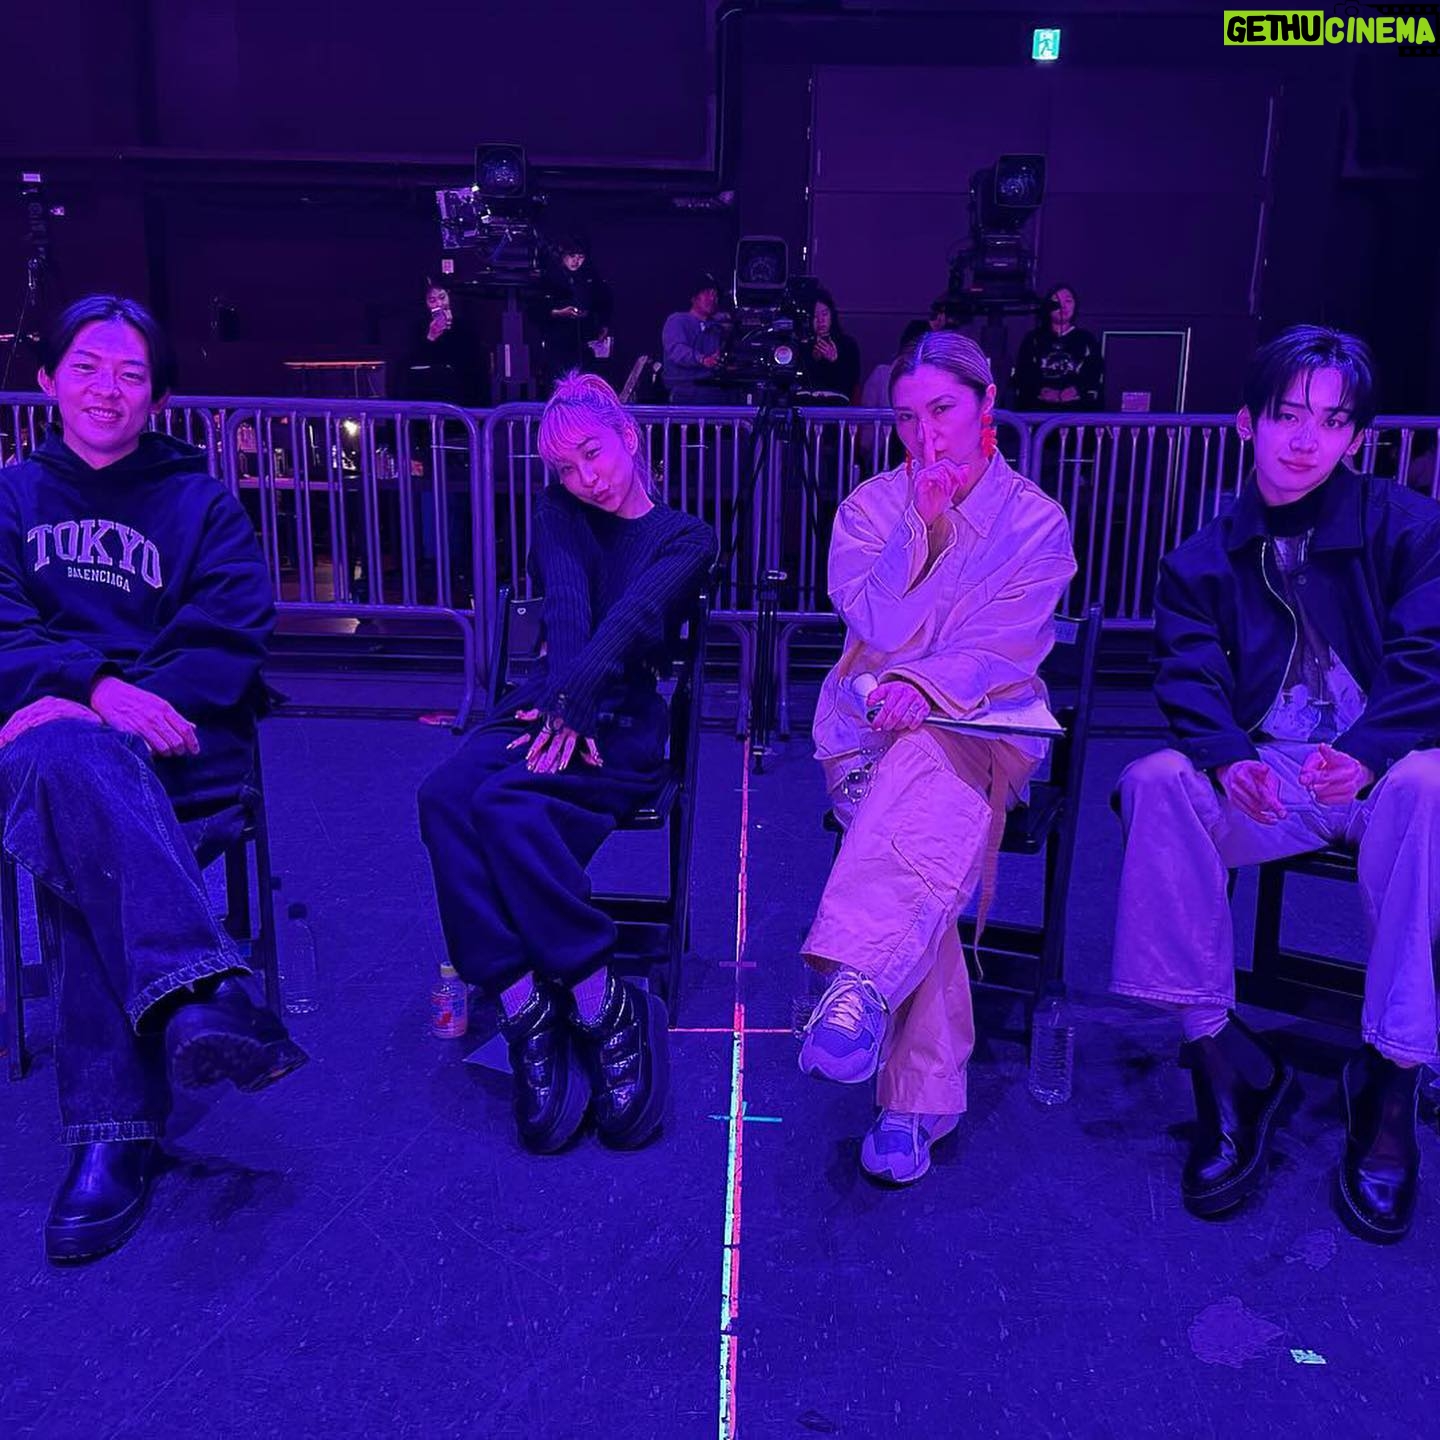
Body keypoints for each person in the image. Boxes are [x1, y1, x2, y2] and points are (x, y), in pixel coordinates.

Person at [1112, 325, 1440, 1242]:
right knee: (1154, 780)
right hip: (1272, 776)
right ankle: (1223, 1060)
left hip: (1387, 769)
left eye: (1332, 422)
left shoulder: (1409, 528)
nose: (1307, 439)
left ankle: (1393, 1077)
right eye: (1289, 415)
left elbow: (1429, 658)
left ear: (1356, 437)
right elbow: (1186, 673)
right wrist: (1228, 757)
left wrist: (1369, 750)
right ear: (1246, 421)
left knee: (1432, 787)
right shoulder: (1202, 557)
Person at [0, 295, 307, 1263]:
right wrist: (94, 691)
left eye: (131, 374)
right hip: (49, 744)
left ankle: (113, 1139)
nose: (108, 389)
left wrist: (110, 708)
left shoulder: (200, 505)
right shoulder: (10, 499)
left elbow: (228, 634)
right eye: (86, 368)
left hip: (176, 752)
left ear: (158, 398)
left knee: (73, 802)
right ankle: (199, 991)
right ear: (47, 381)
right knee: (66, 768)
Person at [797, 332, 1077, 1185]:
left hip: (985, 734)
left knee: (923, 766)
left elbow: (1006, 648)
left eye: (944, 410)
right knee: (924, 840)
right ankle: (913, 1103)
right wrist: (918, 527)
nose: (927, 436)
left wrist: (925, 685)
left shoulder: (1036, 521)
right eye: (907, 418)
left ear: (987, 402)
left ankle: (858, 982)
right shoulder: (869, 509)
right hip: (865, 729)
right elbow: (874, 628)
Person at [417, 372, 717, 1155]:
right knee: (444, 795)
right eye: (566, 467)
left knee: (505, 807)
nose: (586, 478)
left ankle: (600, 999)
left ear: (629, 437)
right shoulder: (560, 508)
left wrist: (580, 700)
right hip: (552, 698)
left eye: (593, 454)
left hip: (624, 717)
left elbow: (635, 617)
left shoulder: (688, 536)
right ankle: (525, 1005)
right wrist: (562, 701)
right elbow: (571, 606)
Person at [1011, 285, 1103, 412]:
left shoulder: (1086, 339)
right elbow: (1023, 373)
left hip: (1076, 410)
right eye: (1056, 301)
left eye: (1068, 301)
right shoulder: (1033, 338)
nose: (1063, 306)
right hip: (1039, 410)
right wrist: (1042, 390)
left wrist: (1076, 390)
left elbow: (1094, 372)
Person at [538, 236, 613, 391]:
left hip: (584, 339)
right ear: (563, 255)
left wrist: (603, 325)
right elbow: (536, 308)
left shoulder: (590, 276)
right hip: (558, 340)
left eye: (580, 257)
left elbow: (604, 302)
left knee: (585, 378)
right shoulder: (549, 276)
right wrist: (558, 313)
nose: (576, 261)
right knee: (559, 379)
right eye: (572, 256)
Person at [661, 275, 727, 405]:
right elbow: (677, 349)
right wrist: (702, 359)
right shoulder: (678, 320)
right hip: (683, 389)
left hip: (711, 388)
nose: (712, 298)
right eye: (707, 293)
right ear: (694, 297)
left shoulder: (717, 328)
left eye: (715, 295)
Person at [804, 289, 861, 402]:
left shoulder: (848, 345)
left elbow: (851, 384)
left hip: (838, 404)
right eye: (815, 316)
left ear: (832, 315)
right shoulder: (801, 345)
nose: (821, 320)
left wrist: (835, 362)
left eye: (824, 314)